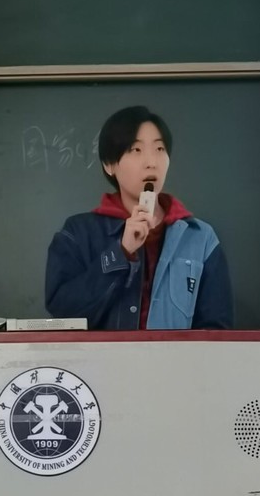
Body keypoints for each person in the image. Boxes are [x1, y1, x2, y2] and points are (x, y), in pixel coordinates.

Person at [45, 106, 234, 330]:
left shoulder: (200, 238)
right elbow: (63, 311)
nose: (151, 162)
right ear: (109, 164)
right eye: (136, 150)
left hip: (172, 355)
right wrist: (121, 252)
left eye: (159, 149)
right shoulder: (78, 233)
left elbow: (216, 330)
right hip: (103, 355)